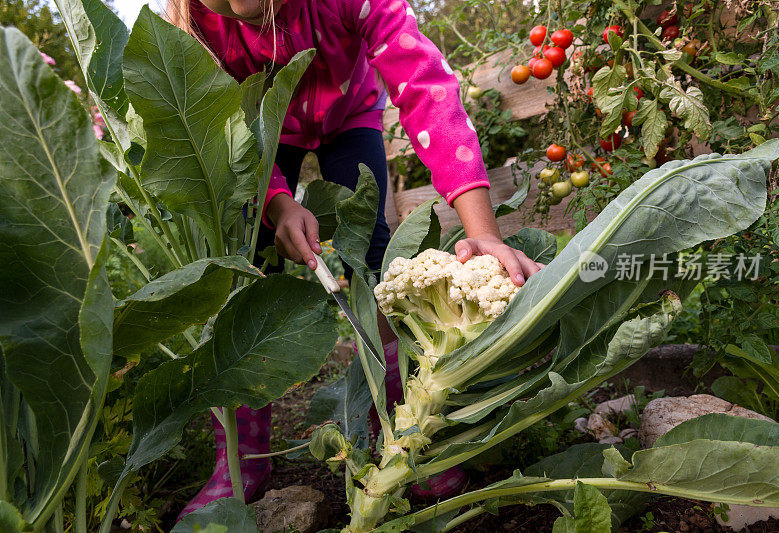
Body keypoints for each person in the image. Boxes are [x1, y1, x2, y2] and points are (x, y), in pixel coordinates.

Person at [167, 0, 543, 519]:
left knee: (367, 252)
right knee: (247, 260)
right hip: (258, 136)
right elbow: (226, 123)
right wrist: (278, 202)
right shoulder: (199, 27)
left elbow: (424, 87)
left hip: (351, 116)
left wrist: (483, 232)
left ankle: (398, 431)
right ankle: (240, 459)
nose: (237, 10)